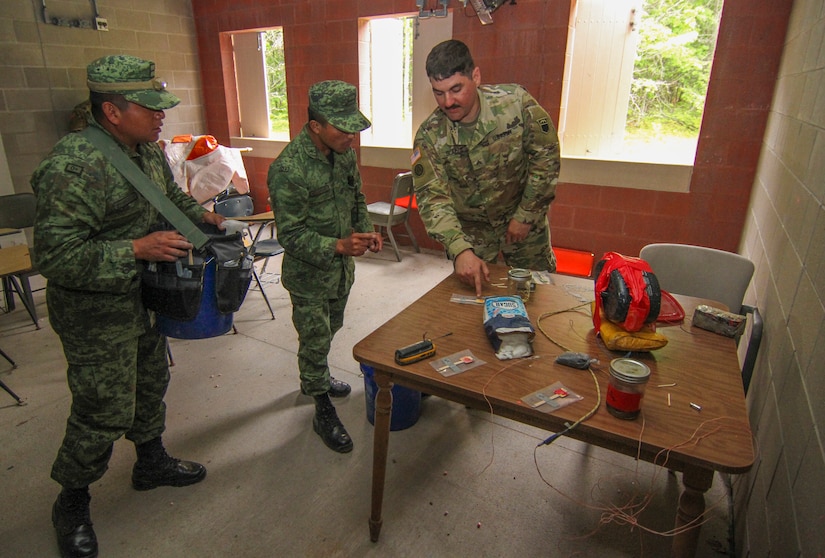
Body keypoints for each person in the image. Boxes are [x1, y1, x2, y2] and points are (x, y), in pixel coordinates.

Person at [31, 55, 226, 558]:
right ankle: (72, 499)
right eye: (150, 107)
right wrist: (135, 249)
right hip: (95, 313)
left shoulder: (146, 151)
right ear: (112, 112)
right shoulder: (74, 166)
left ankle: (150, 461)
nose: (162, 116)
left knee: (150, 383)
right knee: (102, 407)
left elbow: (167, 203)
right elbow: (54, 258)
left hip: (143, 299)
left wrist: (207, 218)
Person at [267, 80, 382, 454]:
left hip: (340, 270)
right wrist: (338, 245)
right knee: (314, 338)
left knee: (332, 327)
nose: (352, 135)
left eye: (354, 127)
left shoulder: (343, 153)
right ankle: (320, 406)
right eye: (343, 128)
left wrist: (365, 231)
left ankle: (315, 376)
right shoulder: (289, 168)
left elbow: (357, 197)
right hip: (309, 275)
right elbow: (291, 235)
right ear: (316, 126)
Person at [411, 39, 561, 296]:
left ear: (476, 76)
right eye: (439, 92)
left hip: (525, 223)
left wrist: (526, 214)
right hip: (472, 235)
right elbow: (432, 198)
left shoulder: (516, 103)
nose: (448, 102)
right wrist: (460, 249)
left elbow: (546, 158)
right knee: (477, 303)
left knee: (538, 296)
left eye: (456, 88)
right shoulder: (430, 135)